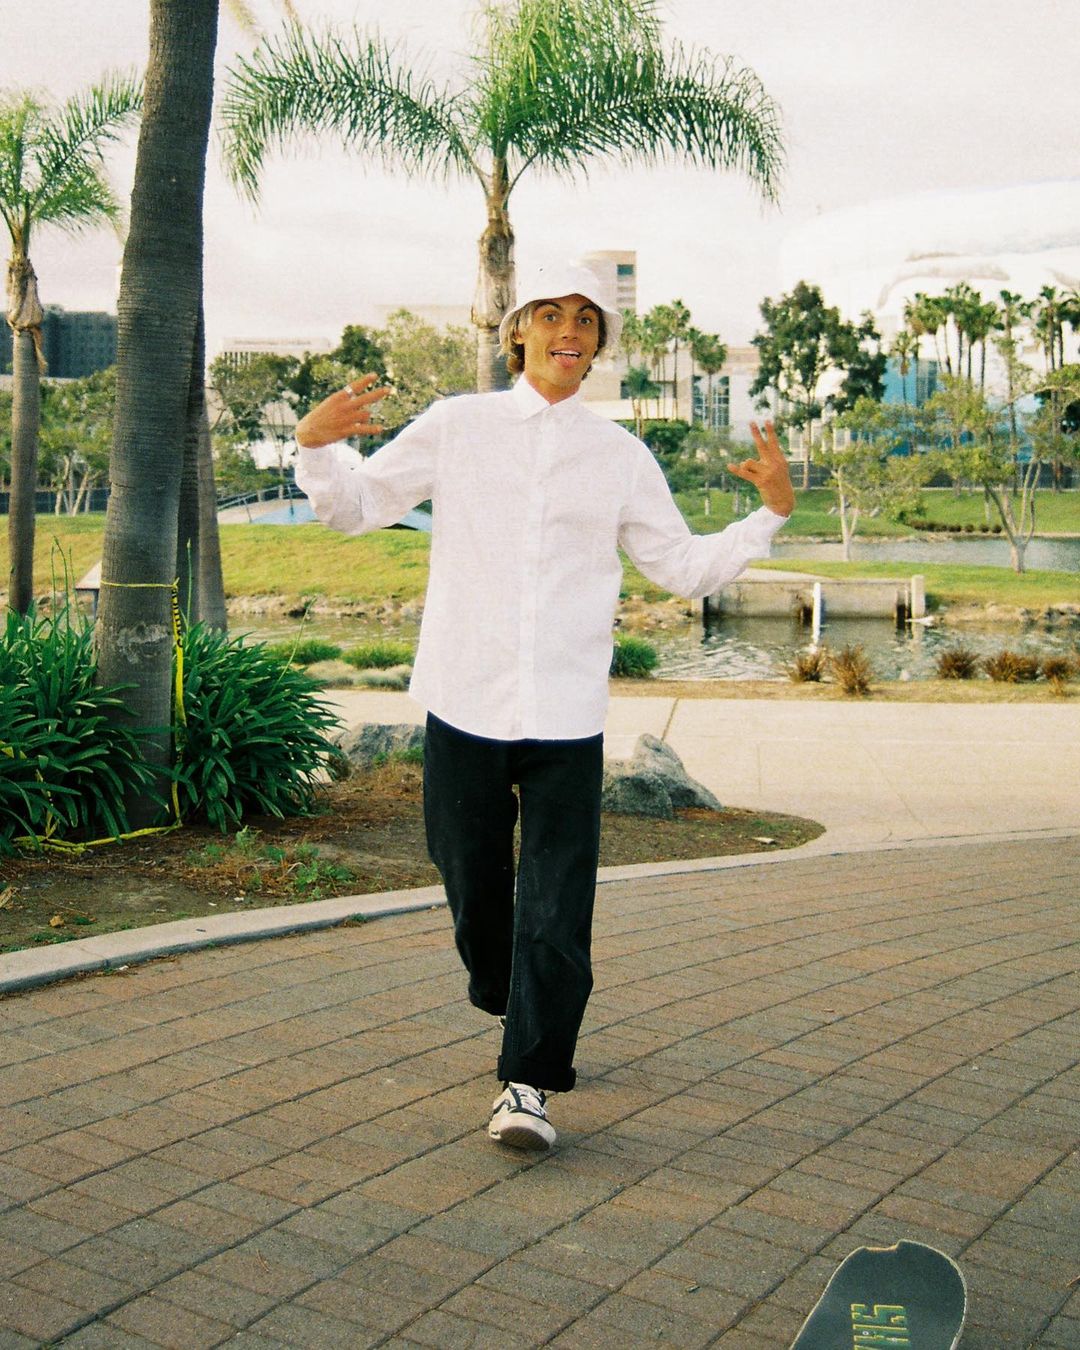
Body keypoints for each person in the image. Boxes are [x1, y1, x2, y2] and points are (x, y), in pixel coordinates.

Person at [293, 260, 795, 1152]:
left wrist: (769, 517)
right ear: (518, 328)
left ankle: (527, 1079)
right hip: (464, 700)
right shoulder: (458, 425)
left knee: (557, 909)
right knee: (472, 888)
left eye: (587, 320)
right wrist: (315, 447)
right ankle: (507, 995)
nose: (570, 330)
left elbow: (680, 567)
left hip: (567, 715)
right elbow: (357, 509)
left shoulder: (621, 456)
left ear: (598, 345)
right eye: (553, 314)